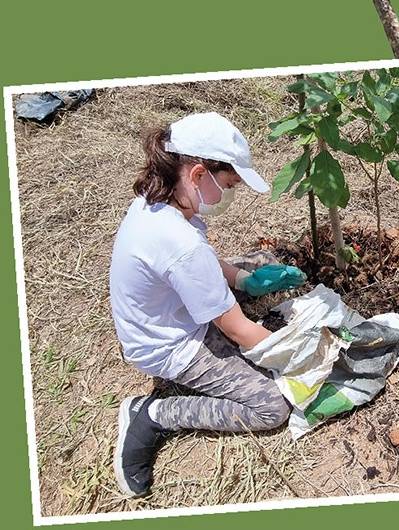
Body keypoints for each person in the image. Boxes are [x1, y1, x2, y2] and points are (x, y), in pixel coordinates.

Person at [109, 112, 306, 497]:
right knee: (271, 407)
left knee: (262, 265)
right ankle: (150, 415)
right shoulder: (181, 246)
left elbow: (197, 264)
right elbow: (235, 329)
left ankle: (248, 279)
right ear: (199, 174)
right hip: (170, 346)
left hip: (161, 313)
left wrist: (243, 280)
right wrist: (295, 354)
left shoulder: (160, 202)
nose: (230, 193)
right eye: (230, 183)